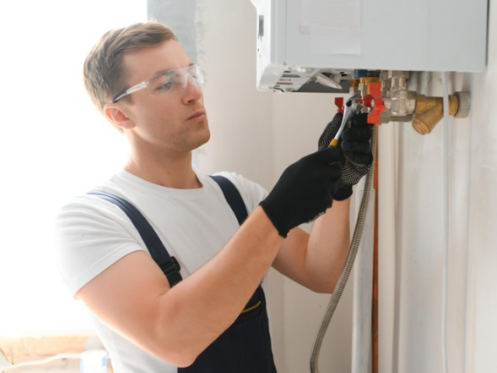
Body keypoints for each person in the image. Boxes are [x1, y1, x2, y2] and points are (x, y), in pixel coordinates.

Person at [55, 21, 372, 373]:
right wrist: (275, 216)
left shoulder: (235, 194)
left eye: (191, 74)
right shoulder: (89, 220)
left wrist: (340, 185)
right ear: (119, 114)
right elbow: (173, 340)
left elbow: (321, 274)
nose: (193, 92)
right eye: (166, 84)